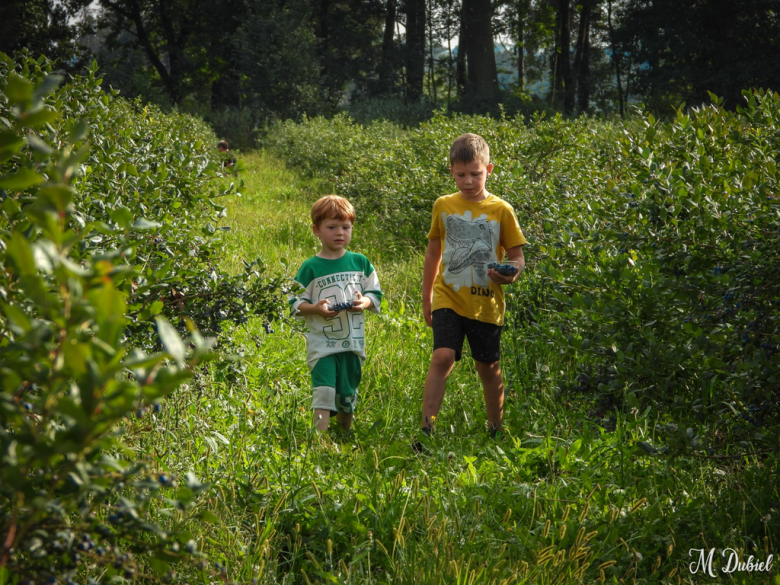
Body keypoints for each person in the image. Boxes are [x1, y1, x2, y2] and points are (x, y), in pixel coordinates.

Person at [420, 133, 527, 442]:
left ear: (489, 170)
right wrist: (426, 299)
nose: (468, 181)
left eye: (475, 174)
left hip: (486, 303)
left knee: (487, 366)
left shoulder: (502, 210)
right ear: (451, 171)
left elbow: (517, 257)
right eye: (461, 174)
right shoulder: (443, 205)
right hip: (447, 296)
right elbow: (433, 253)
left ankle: (495, 430)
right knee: (443, 356)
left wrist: (511, 272)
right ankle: (426, 430)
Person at [288, 195, 383, 432]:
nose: (339, 232)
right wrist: (314, 309)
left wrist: (364, 303)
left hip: (352, 343)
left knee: (347, 393)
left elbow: (375, 293)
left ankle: (344, 434)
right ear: (316, 230)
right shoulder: (310, 267)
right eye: (331, 227)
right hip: (323, 345)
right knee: (324, 390)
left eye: (345, 227)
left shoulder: (361, 263)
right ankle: (318, 440)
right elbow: (292, 301)